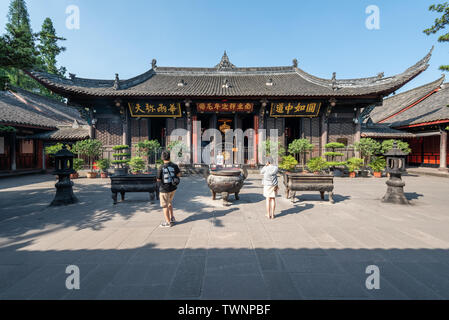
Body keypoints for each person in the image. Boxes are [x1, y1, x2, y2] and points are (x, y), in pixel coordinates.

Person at [157, 150, 181, 227]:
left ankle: (168, 222)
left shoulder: (161, 167)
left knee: (165, 206)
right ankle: (172, 218)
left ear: (162, 158)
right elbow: (179, 174)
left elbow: (158, 179)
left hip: (164, 189)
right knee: (169, 202)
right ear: (170, 157)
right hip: (173, 188)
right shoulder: (174, 165)